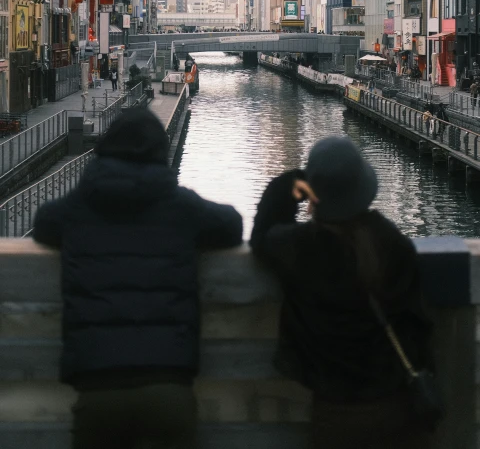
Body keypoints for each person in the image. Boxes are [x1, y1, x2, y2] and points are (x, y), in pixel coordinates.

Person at [32, 109, 243, 449]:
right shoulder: (181, 205)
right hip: (168, 383)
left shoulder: (78, 207)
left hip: (97, 386)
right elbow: (232, 225)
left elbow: (44, 224)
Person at [250, 136, 434, 449]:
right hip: (399, 403)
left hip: (337, 410)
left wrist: (296, 182)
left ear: (314, 194)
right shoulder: (391, 242)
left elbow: (263, 233)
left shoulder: (300, 249)